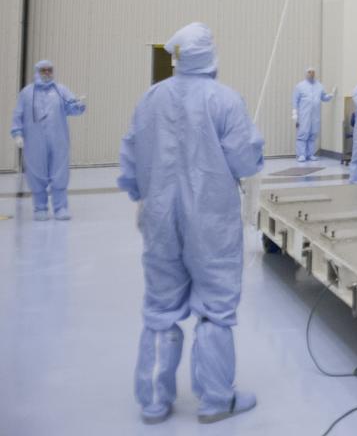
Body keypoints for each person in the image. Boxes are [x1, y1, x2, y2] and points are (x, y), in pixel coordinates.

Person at [118, 23, 263, 424]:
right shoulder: (226, 100)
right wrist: (256, 146)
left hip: (160, 218)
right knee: (215, 307)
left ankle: (153, 401)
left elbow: (130, 152)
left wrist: (139, 195)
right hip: (211, 221)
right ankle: (216, 400)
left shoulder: (150, 98)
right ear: (210, 54)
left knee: (161, 307)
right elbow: (244, 161)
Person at [10, 59, 86, 221]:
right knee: (37, 173)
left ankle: (61, 208)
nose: (47, 73)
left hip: (58, 141)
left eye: (49, 70)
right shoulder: (27, 93)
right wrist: (17, 133)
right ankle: (40, 208)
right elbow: (18, 114)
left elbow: (71, 108)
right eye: (43, 70)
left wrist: (78, 105)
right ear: (37, 71)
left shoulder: (61, 90)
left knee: (59, 173)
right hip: (34, 142)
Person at [291, 67, 334, 162]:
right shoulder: (300, 86)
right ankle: (301, 155)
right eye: (309, 72)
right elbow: (295, 100)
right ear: (306, 73)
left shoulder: (319, 86)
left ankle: (310, 154)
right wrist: (295, 114)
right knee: (303, 134)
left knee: (313, 134)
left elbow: (323, 97)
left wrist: (330, 95)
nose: (311, 74)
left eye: (313, 72)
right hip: (304, 115)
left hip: (315, 116)